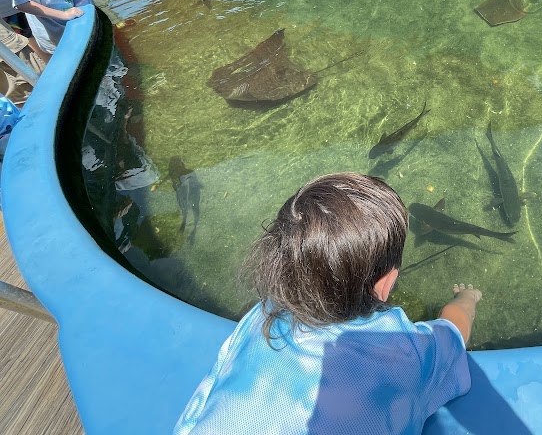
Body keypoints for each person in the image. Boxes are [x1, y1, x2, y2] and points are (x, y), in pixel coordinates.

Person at [174, 172, 483, 434]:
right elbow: (455, 329)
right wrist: (466, 298)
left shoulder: (263, 315)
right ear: (387, 283)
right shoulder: (405, 353)